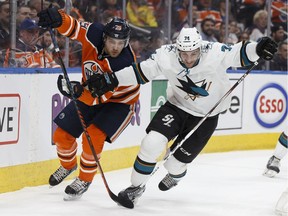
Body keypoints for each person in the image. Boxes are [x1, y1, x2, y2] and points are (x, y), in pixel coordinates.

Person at [94, 27, 278, 208]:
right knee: (151, 143)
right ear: (177, 49)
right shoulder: (167, 55)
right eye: (184, 54)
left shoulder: (214, 52)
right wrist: (111, 79)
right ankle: (135, 189)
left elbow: (239, 53)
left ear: (200, 48)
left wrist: (258, 48)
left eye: (193, 54)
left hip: (206, 117)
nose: (188, 59)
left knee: (173, 165)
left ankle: (176, 175)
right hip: (176, 107)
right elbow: (140, 71)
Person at [37, 7, 140, 200]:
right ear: (104, 38)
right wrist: (58, 19)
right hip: (91, 92)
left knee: (93, 137)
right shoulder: (94, 32)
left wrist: (77, 92)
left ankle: (84, 179)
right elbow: (73, 27)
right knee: (61, 135)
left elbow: (98, 96)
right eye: (112, 42)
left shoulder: (124, 63)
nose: (116, 47)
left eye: (121, 43)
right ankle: (68, 166)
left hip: (119, 102)